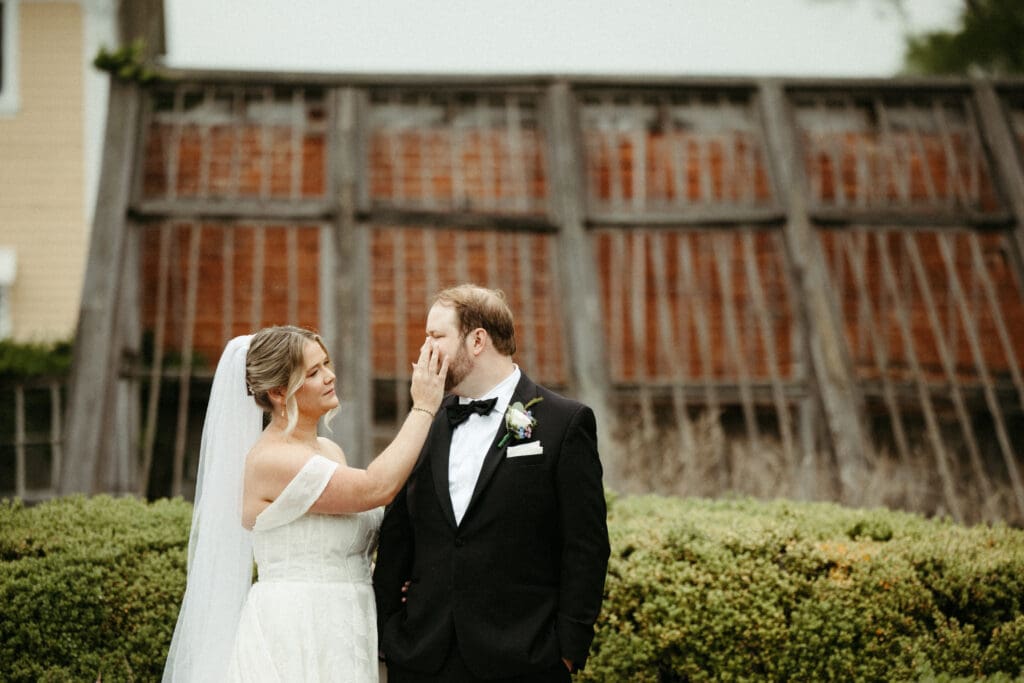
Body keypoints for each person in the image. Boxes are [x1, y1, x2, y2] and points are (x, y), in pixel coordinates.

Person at [163, 325, 448, 682]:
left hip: (348, 623)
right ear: (279, 392)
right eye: (313, 372)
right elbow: (375, 489)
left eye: (325, 364)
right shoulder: (271, 460)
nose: (330, 376)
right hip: (296, 627)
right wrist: (423, 407)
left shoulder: (330, 451)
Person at [374, 285, 611, 682]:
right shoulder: (426, 420)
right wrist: (388, 631)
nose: (423, 352)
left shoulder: (563, 423)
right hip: (422, 658)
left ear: (478, 339)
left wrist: (566, 652)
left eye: (435, 337)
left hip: (523, 658)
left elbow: (586, 546)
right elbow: (399, 533)